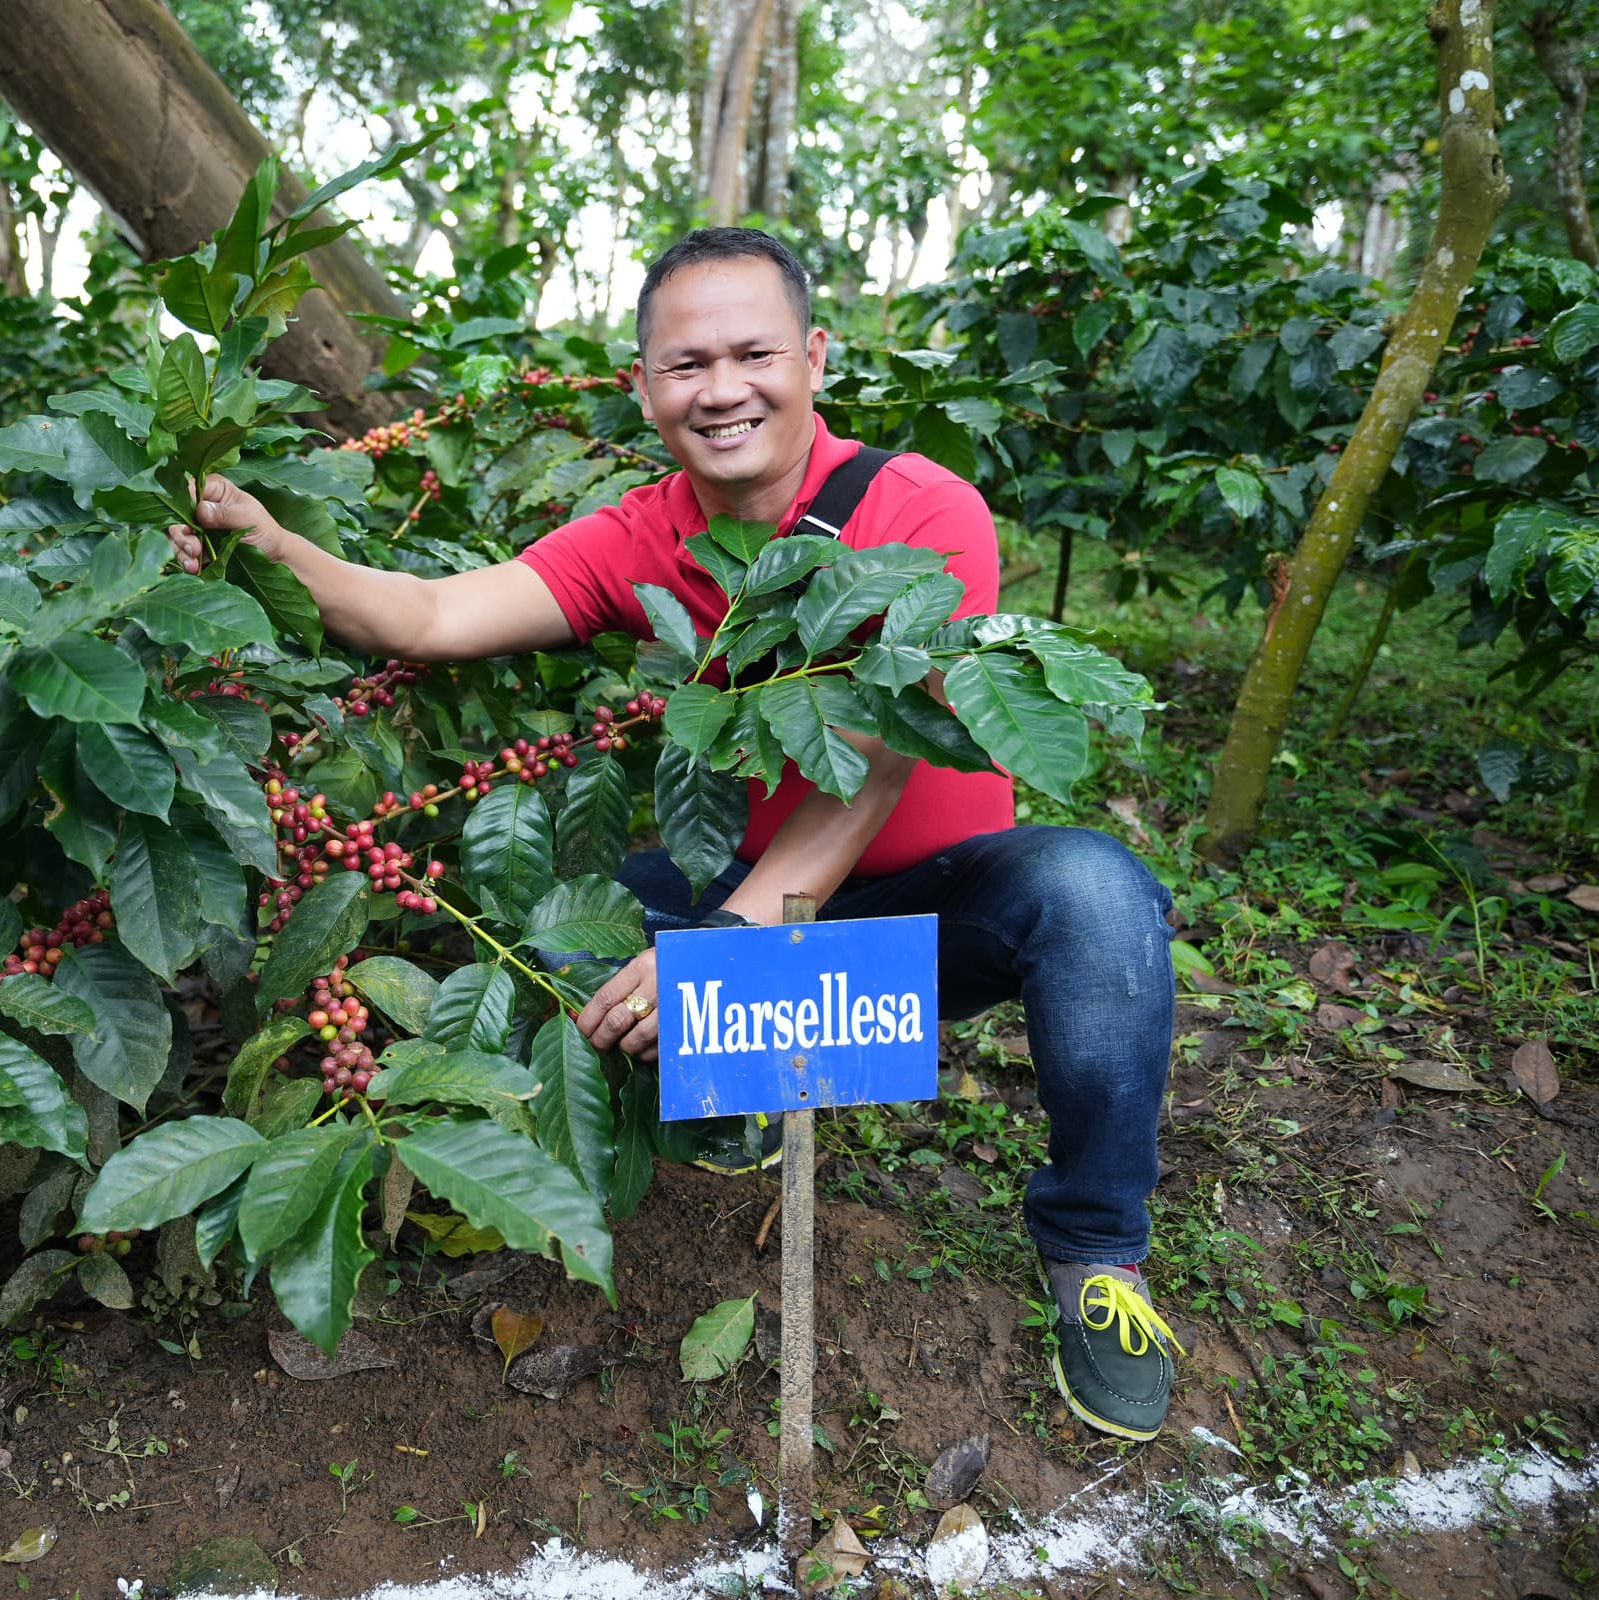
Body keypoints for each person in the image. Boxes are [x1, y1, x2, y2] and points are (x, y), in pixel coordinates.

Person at [165, 227, 1182, 1443]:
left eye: (754, 353)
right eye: (686, 363)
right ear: (643, 386)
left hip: (946, 909)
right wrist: (276, 546)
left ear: (815, 359)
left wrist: (739, 945)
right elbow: (432, 615)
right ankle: (739, 1087)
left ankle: (1095, 1253)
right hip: (780, 899)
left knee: (1097, 892)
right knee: (567, 935)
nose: (722, 388)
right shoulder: (644, 534)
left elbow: (869, 770)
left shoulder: (922, 509)